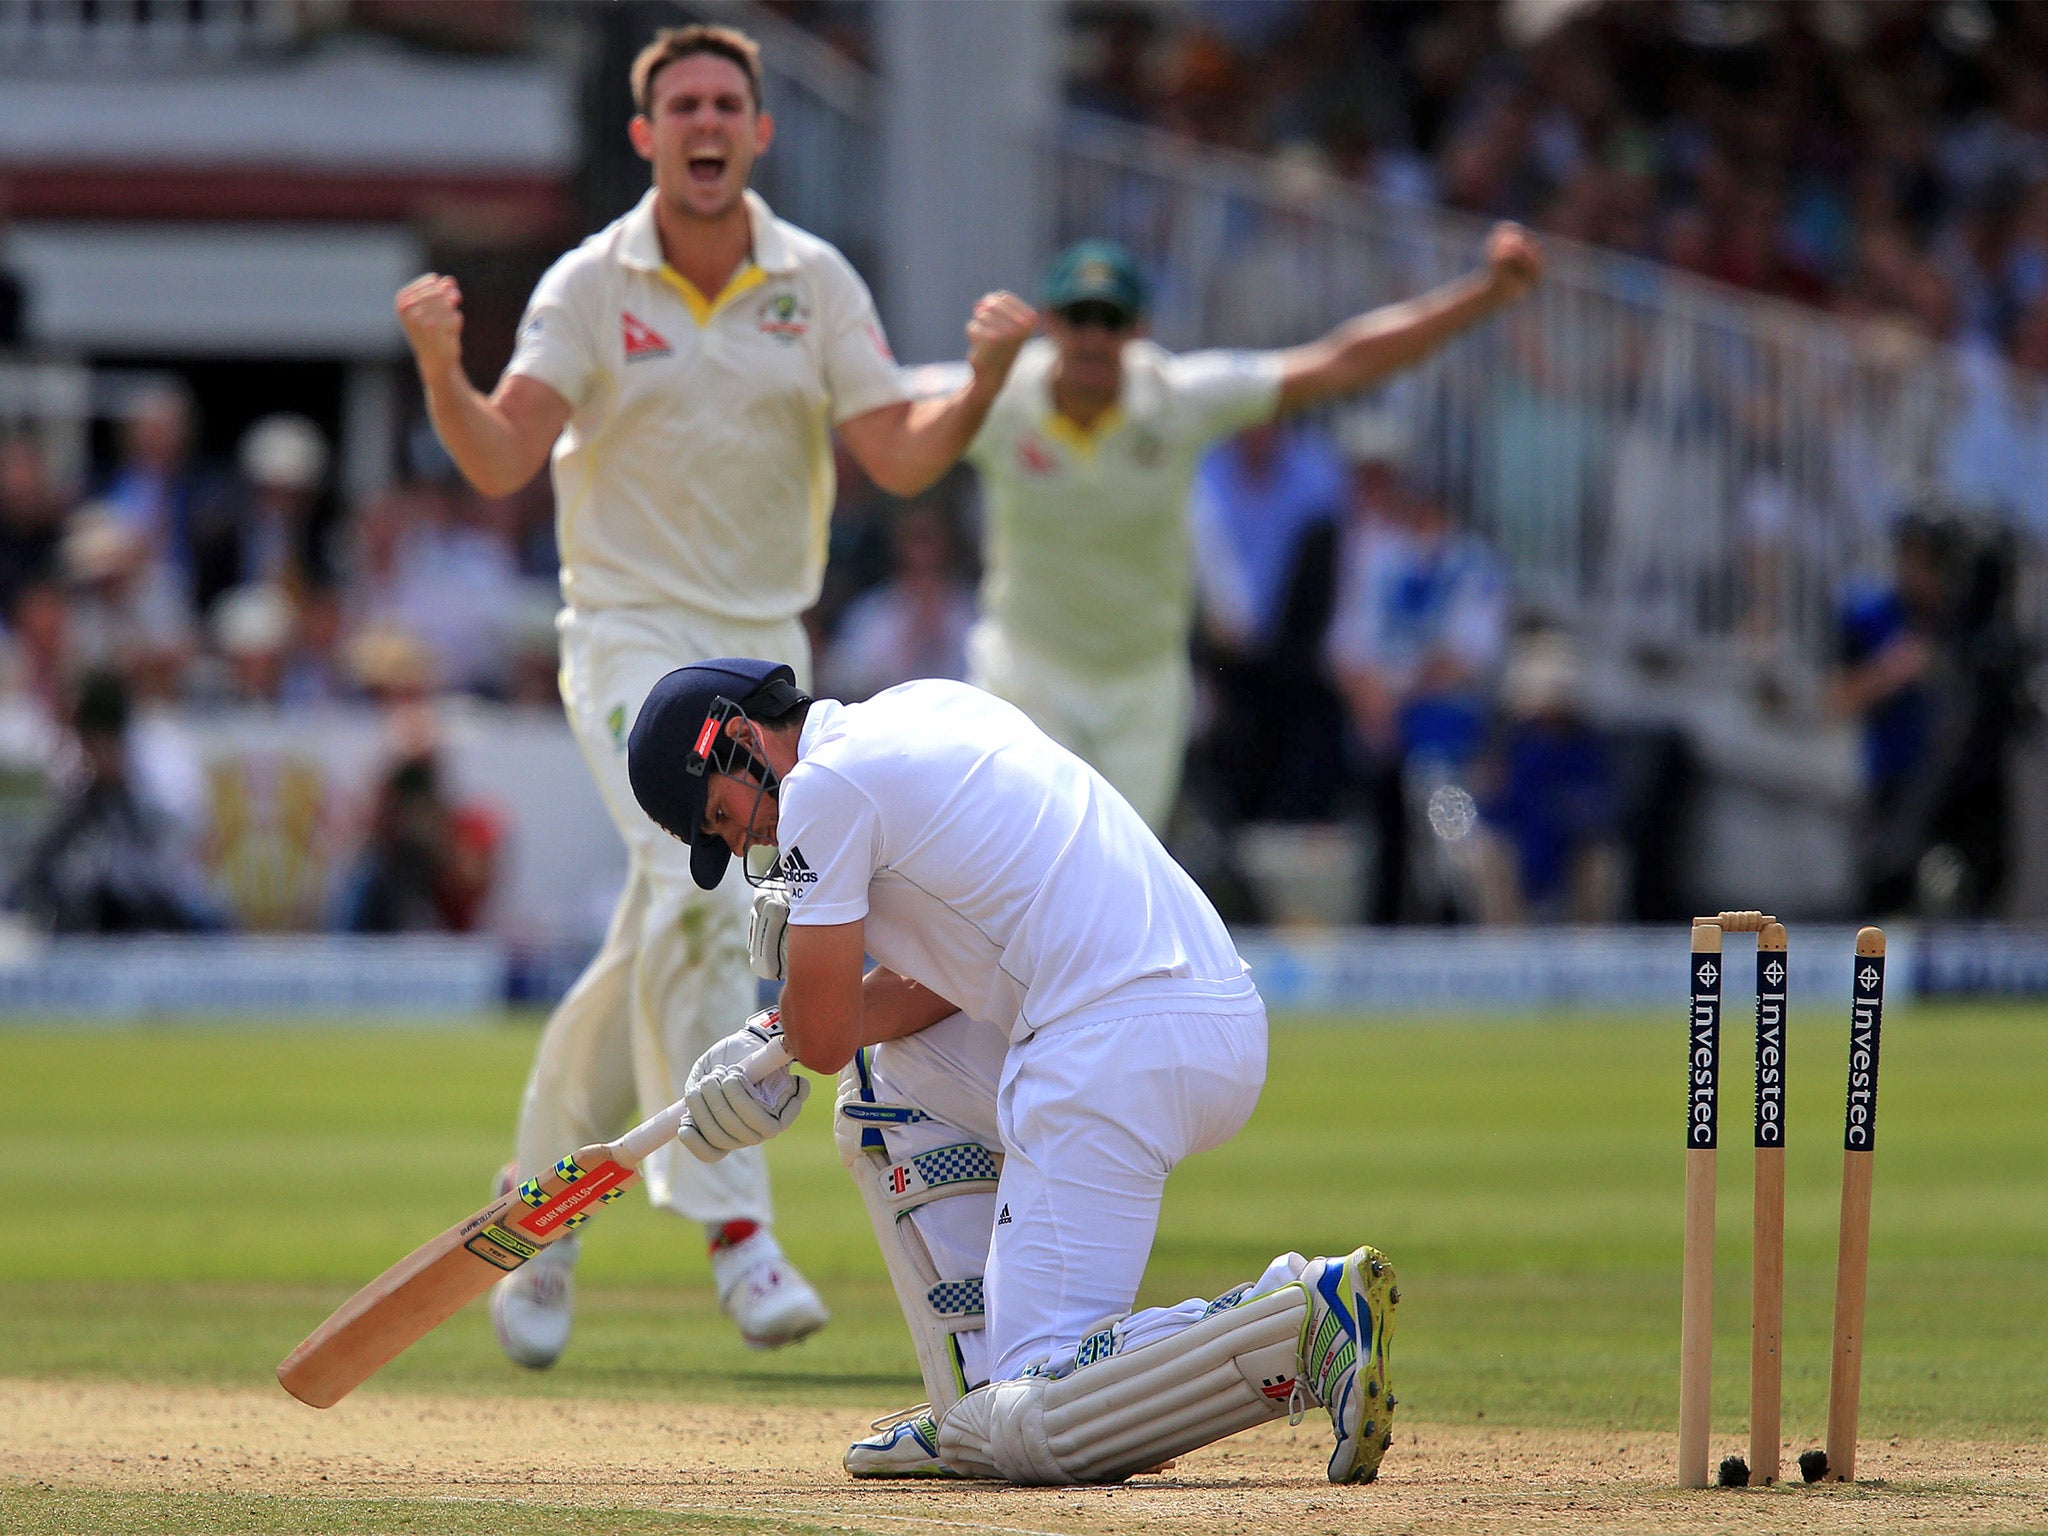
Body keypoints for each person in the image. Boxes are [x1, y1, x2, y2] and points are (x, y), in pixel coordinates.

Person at [392, 23, 1035, 1367]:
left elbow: (900, 456)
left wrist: (976, 385)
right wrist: (446, 372)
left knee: (658, 922)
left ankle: (540, 1214)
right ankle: (740, 1237)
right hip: (627, 638)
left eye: (724, 102)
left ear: (758, 132)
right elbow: (506, 456)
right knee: (704, 894)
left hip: (755, 652)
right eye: (678, 101)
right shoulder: (588, 281)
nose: (703, 120)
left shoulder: (813, 280)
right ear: (645, 136)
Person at [625, 657, 1399, 1487]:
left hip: (1109, 1040)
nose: (747, 840)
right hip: (1201, 1017)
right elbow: (926, 990)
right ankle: (971, 1406)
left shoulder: (821, 788)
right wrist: (769, 1043)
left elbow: (818, 1036)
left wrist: (763, 1061)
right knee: (888, 1085)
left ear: (737, 736)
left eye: (723, 814)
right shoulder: (924, 706)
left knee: (1036, 1418)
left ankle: (1298, 1317)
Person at [908, 225, 1541, 831]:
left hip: (1141, 692)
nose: (1094, 339)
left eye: (1112, 319)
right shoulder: (995, 395)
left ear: (1142, 328)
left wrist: (1486, 294)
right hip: (1025, 675)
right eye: (1079, 317)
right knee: (1010, 873)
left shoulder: (1181, 397)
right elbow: (871, 402)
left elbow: (1343, 363)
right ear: (1051, 320)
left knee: (1118, 897)